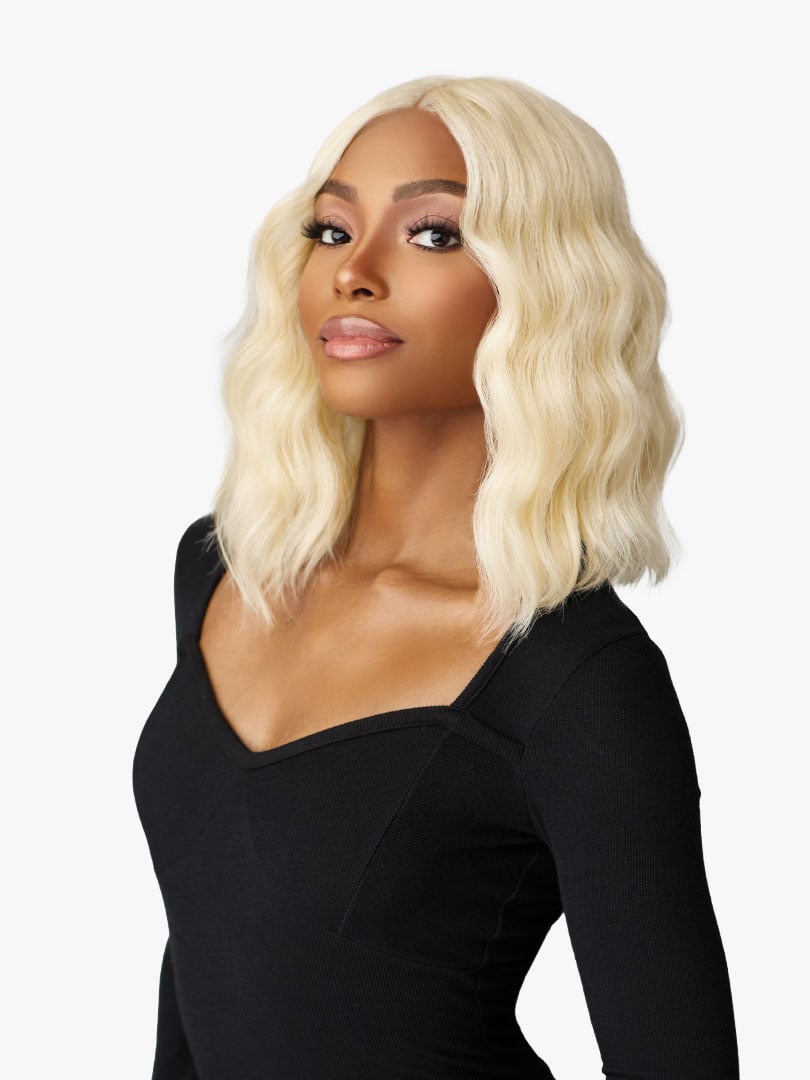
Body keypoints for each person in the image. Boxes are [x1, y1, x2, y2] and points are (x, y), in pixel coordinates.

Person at [132, 75, 740, 1079]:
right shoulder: (226, 570)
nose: (353, 271)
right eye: (332, 230)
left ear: (544, 288)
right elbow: (212, 937)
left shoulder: (577, 680)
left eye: (432, 234)